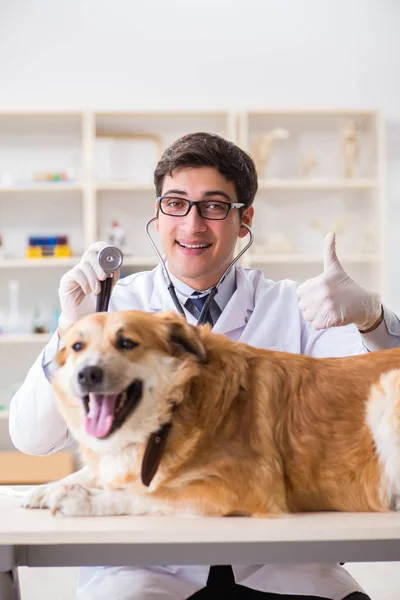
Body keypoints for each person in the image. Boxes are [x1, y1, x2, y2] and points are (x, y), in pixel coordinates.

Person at [10, 132, 400, 600]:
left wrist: (373, 318)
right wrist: (69, 329)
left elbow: (383, 391)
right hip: (143, 568)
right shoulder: (112, 309)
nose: (192, 225)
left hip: (284, 562)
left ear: (244, 220)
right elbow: (32, 438)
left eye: (214, 206)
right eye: (176, 204)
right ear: (157, 217)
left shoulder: (293, 306)